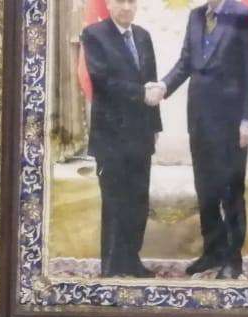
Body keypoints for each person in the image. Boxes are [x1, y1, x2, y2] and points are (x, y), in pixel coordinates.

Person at [156, 0, 248, 278]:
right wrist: (164, 85)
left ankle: (233, 259)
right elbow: (185, 62)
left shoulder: (242, 15)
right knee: (206, 190)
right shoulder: (195, 16)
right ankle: (212, 251)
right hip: (199, 120)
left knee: (231, 192)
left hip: (231, 122)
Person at [84, 0, 163, 277]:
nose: (127, 7)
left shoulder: (143, 36)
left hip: (141, 134)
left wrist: (155, 127)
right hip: (111, 135)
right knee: (115, 202)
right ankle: (110, 266)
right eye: (120, 1)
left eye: (132, 1)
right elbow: (101, 81)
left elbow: (151, 82)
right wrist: (141, 94)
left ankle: (131, 260)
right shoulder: (94, 34)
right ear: (108, 4)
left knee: (138, 201)